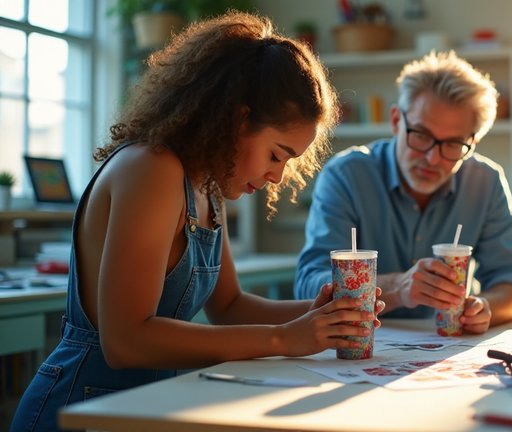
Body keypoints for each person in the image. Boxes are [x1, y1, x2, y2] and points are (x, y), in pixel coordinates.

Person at [11, 12, 384, 432]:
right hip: (81, 405)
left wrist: (321, 316)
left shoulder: (205, 185)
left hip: (150, 404)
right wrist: (285, 339)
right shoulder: (151, 169)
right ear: (237, 120)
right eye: (276, 154)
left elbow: (228, 307)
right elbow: (126, 341)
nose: (277, 176)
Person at [294, 51, 512, 334]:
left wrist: (484, 308)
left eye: (453, 144)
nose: (433, 159)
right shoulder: (347, 176)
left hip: (449, 350)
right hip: (361, 343)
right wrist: (397, 288)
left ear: (474, 142)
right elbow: (309, 285)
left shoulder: (486, 181)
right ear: (396, 120)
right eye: (420, 135)